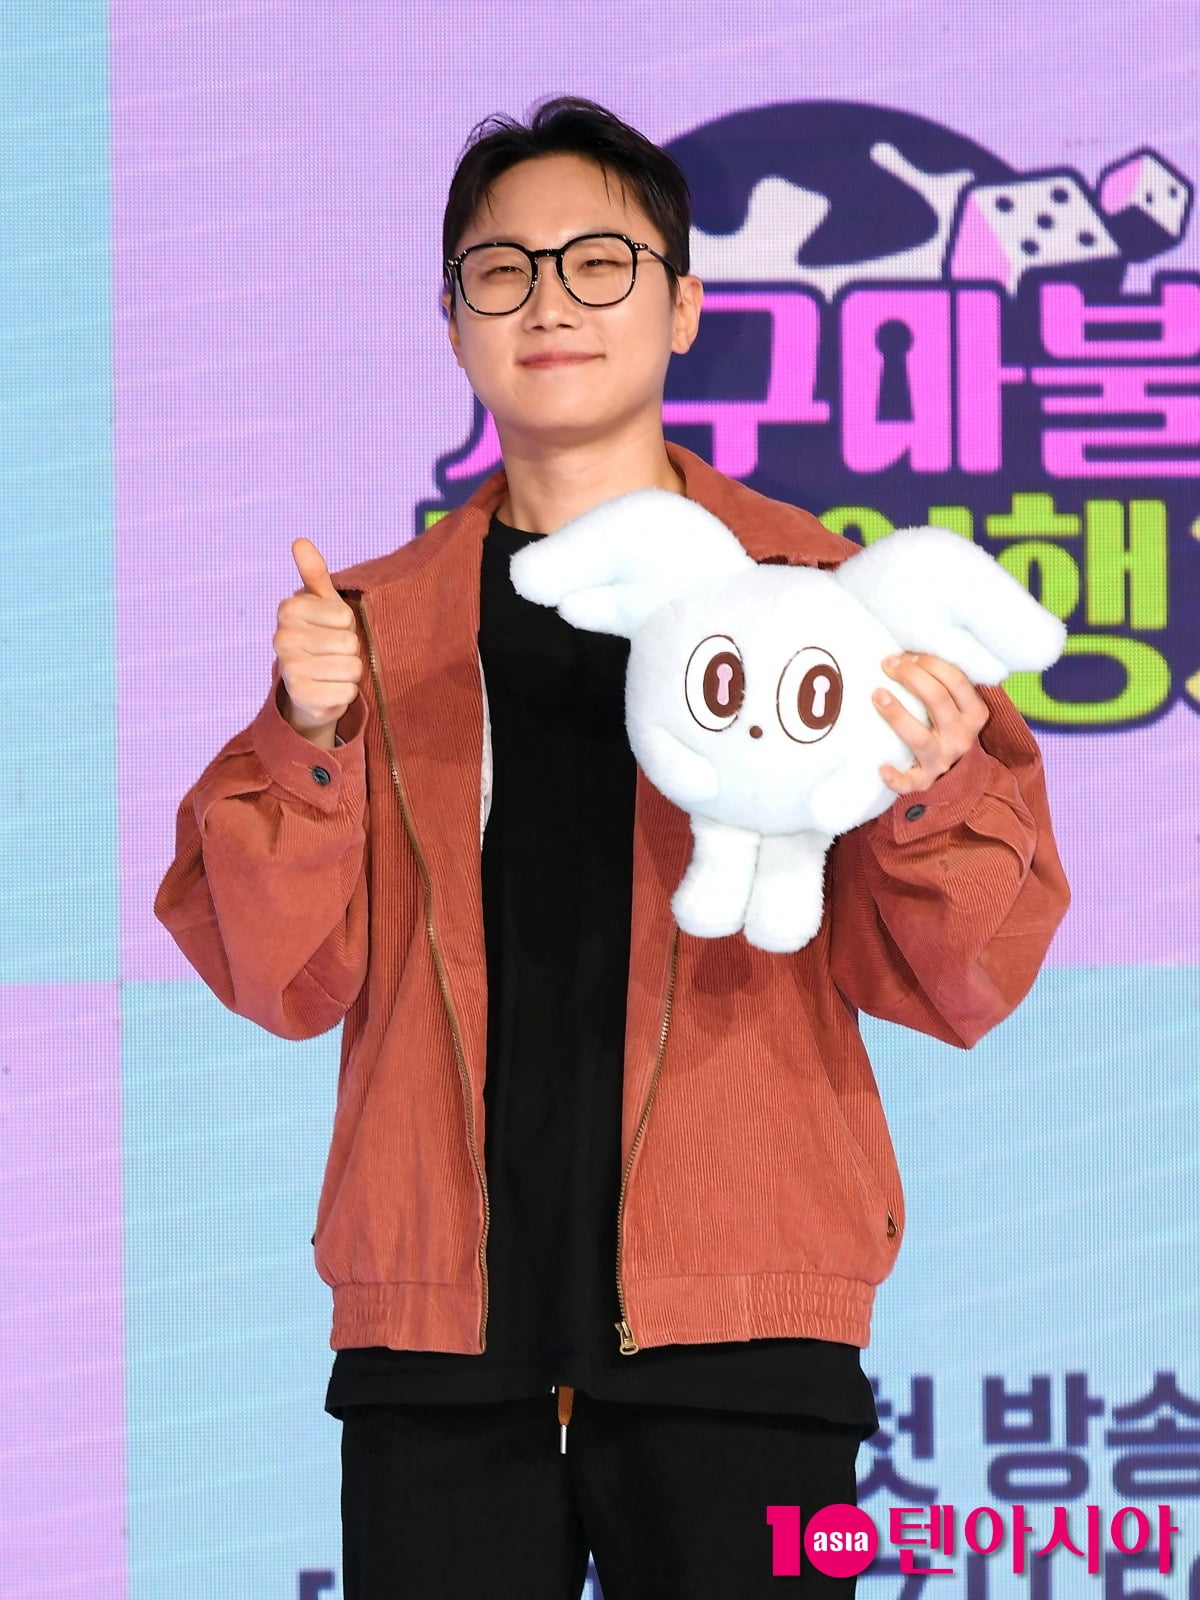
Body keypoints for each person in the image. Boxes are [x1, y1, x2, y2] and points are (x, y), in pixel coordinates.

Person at [155, 96, 1070, 1600]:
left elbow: (966, 973)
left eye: (598, 263)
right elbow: (274, 970)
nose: (550, 303)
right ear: (453, 319)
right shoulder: (370, 629)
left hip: (751, 1334)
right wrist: (307, 732)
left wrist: (929, 783)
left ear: (683, 305)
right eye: (501, 270)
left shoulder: (830, 604)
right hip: (440, 1349)